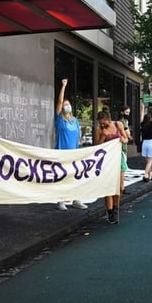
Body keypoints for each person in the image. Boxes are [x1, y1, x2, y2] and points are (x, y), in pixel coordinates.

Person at [54, 78, 88, 211]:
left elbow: (78, 136)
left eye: (69, 104)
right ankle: (61, 200)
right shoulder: (59, 119)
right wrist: (64, 86)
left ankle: (76, 199)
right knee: (62, 177)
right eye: (65, 105)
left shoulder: (75, 121)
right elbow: (60, 101)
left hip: (74, 153)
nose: (66, 106)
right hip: (62, 152)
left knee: (75, 177)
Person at [94, 110, 129, 224]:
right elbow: (96, 147)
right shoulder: (99, 130)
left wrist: (123, 140)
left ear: (109, 120)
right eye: (101, 123)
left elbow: (126, 138)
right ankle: (110, 211)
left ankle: (115, 208)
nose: (103, 125)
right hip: (107, 161)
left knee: (119, 187)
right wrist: (103, 136)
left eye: (105, 123)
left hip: (118, 158)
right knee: (108, 187)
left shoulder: (118, 125)